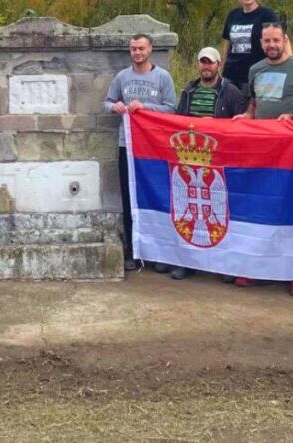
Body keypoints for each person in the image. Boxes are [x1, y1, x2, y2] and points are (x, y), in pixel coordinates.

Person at [234, 22, 293, 295]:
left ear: (285, 40)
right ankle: (254, 267)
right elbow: (254, 103)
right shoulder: (255, 69)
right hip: (261, 151)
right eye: (267, 41)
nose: (271, 45)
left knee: (291, 207)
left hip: (291, 153)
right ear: (261, 44)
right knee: (258, 206)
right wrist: (247, 116)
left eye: (276, 40)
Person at [158, 46, 246, 280]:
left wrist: (214, 124)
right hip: (189, 162)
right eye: (202, 62)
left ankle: (223, 265)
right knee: (188, 212)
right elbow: (177, 119)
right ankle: (187, 262)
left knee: (220, 213)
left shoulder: (232, 92)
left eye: (211, 62)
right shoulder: (189, 90)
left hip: (220, 163)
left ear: (219, 65)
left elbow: (240, 126)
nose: (206, 66)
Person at [103, 33, 178, 271]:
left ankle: (160, 252)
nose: (137, 53)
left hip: (154, 148)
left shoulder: (162, 77)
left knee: (156, 196)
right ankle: (132, 252)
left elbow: (172, 109)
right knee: (128, 199)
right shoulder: (122, 77)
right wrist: (114, 107)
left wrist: (146, 107)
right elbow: (106, 102)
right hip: (128, 145)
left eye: (141, 48)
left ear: (150, 49)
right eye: (134, 49)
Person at [220, 0, 283, 98]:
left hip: (259, 74)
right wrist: (221, 66)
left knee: (256, 111)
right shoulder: (233, 15)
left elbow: (280, 38)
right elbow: (226, 42)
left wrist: (289, 59)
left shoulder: (267, 15)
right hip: (231, 74)